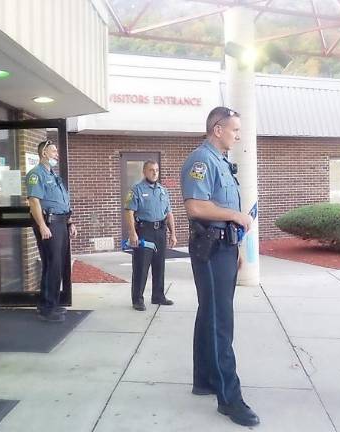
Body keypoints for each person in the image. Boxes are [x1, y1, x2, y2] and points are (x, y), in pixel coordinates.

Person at [180, 106, 258, 427]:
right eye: (234, 130)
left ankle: (205, 380)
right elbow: (196, 206)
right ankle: (229, 398)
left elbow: (223, 205)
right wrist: (237, 217)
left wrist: (237, 244)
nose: (237, 135)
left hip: (224, 246)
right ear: (217, 130)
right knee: (220, 320)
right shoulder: (201, 161)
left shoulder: (221, 164)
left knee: (210, 313)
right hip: (210, 249)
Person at [26, 140, 77, 323]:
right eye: (53, 151)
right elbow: (34, 202)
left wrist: (70, 223)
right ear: (44, 154)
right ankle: (47, 309)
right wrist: (42, 225)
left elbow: (63, 202)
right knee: (52, 264)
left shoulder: (55, 177)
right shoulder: (36, 174)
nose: (57, 154)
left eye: (56, 151)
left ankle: (50, 303)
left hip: (61, 223)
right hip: (49, 224)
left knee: (58, 264)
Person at [124, 160, 177, 311]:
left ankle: (158, 295)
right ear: (144, 172)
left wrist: (172, 233)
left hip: (160, 231)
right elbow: (129, 212)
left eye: (156, 170)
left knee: (159, 265)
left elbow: (169, 213)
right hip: (144, 231)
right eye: (151, 170)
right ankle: (138, 299)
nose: (154, 173)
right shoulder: (136, 190)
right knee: (141, 266)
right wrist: (132, 233)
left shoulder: (163, 190)